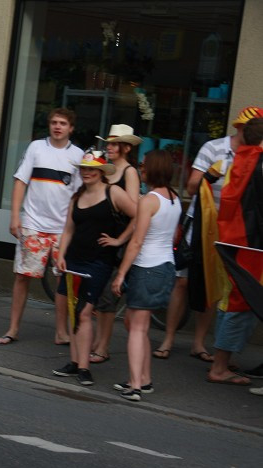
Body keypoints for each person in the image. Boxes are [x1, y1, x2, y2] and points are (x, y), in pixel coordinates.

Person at [155, 107, 263, 363]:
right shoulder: (214, 148)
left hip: (232, 229)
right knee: (183, 281)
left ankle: (199, 343)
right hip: (203, 221)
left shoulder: (256, 157)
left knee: (216, 283)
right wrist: (214, 174)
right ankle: (168, 338)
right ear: (238, 128)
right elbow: (192, 186)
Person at [0, 108, 83, 346]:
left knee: (63, 282)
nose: (57, 126)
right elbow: (20, 181)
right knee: (23, 277)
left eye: (63, 123)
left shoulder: (78, 155)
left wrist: (76, 228)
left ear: (71, 128)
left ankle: (61, 332)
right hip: (34, 224)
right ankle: (13, 328)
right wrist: (15, 217)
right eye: (54, 122)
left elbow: (79, 195)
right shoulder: (36, 147)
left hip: (62, 229)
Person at [52, 154, 136, 386]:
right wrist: (60, 255)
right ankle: (74, 361)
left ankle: (84, 367)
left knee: (85, 312)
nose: (87, 172)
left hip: (98, 262)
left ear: (102, 172)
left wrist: (119, 240)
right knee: (73, 308)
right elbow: (69, 229)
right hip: (73, 260)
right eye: (83, 169)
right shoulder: (77, 196)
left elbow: (138, 216)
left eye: (92, 169)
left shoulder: (114, 193)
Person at [111, 150, 182, 401]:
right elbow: (173, 237)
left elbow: (137, 240)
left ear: (153, 169)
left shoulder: (149, 200)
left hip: (147, 267)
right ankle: (145, 379)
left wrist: (120, 274)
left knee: (137, 328)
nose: (141, 169)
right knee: (135, 323)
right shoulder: (174, 198)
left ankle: (134, 384)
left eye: (143, 166)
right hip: (165, 267)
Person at [205, 117, 263, 390]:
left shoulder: (235, 161)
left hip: (233, 240)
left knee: (232, 301)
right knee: (241, 303)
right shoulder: (258, 162)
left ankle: (223, 361)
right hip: (251, 244)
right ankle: (219, 366)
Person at [89, 125, 142, 364]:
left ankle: (103, 346)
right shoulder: (105, 169)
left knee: (108, 297)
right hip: (98, 239)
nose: (108, 147)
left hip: (115, 243)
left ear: (126, 147)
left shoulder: (129, 172)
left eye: (114, 143)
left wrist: (120, 240)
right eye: (107, 143)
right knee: (97, 294)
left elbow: (136, 213)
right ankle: (97, 342)